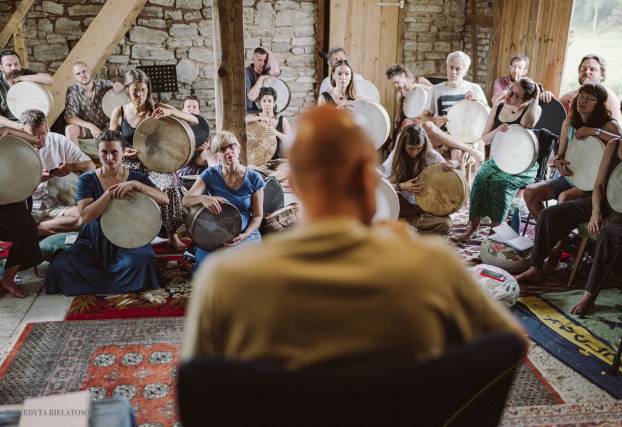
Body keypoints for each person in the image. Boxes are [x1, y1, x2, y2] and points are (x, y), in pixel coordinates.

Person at [182, 105, 527, 368]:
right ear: (369, 181)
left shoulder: (226, 278)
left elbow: (202, 389)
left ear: (296, 187)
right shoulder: (432, 263)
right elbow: (509, 345)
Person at [515, 92, 622, 315]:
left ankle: (589, 294)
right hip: (604, 203)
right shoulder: (614, 144)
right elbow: (599, 185)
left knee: (609, 231)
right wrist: (595, 213)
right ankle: (536, 268)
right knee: (550, 214)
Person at [45, 130, 168, 296]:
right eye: (104, 152)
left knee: (143, 260)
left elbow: (164, 199)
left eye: (115, 152)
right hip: (94, 239)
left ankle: (99, 284)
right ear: (98, 152)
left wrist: (137, 186)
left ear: (124, 152)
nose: (109, 158)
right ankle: (119, 283)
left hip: (129, 237)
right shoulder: (87, 179)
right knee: (61, 265)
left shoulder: (136, 177)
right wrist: (108, 194)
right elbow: (86, 216)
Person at [109, 69, 197, 252]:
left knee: (169, 184)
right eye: (135, 90)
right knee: (124, 186)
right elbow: (110, 140)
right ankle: (134, 231)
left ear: (148, 90)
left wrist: (169, 112)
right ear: (127, 90)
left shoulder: (157, 108)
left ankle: (171, 235)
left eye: (143, 89)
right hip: (129, 164)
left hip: (157, 164)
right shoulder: (119, 112)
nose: (139, 94)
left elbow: (193, 120)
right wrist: (123, 152)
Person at [458, 77, 542, 242]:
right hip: (499, 161)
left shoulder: (533, 109)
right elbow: (485, 139)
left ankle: (494, 233)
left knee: (501, 183)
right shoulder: (500, 106)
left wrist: (536, 97)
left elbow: (527, 124)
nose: (509, 94)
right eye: (511, 89)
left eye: (516, 95)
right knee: (481, 177)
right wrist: (498, 129)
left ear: (526, 99)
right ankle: (473, 228)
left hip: (522, 165)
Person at [523, 83, 622, 220]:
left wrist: (595, 131)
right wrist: (559, 163)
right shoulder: (569, 123)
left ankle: (556, 238)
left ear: (599, 104)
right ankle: (548, 233)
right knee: (530, 192)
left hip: (591, 184)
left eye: (588, 98)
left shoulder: (608, 124)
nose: (582, 101)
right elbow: (561, 155)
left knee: (564, 198)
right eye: (581, 97)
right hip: (569, 177)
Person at [182, 131, 265, 268]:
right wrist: (203, 198)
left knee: (246, 267)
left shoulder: (254, 177)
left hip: (245, 233)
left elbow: (257, 215)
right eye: (222, 149)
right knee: (209, 268)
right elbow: (186, 201)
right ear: (216, 155)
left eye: (232, 147)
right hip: (214, 232)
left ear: (238, 149)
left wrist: (245, 234)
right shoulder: (210, 174)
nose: (228, 152)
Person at [20, 109, 96, 236]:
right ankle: (38, 227)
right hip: (29, 206)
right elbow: (12, 192)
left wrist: (71, 166)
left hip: (55, 203)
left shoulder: (58, 140)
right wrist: (37, 180)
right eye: (34, 135)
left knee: (85, 217)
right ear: (22, 132)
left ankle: (39, 227)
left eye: (43, 133)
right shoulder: (14, 149)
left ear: (47, 127)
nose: (40, 140)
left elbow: (91, 166)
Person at [381, 124, 453, 235]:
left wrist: (451, 166)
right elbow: (381, 185)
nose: (414, 153)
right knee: (383, 208)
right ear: (403, 145)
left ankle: (408, 229)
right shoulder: (395, 156)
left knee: (446, 224)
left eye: (418, 148)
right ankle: (413, 230)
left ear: (424, 145)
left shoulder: (431, 155)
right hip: (403, 206)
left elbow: (449, 177)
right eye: (410, 148)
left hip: (426, 209)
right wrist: (402, 186)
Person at [423, 51, 488, 166]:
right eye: (450, 67)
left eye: (458, 69)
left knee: (457, 153)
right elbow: (424, 118)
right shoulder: (435, 89)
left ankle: (458, 171)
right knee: (428, 126)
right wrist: (434, 120)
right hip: (443, 135)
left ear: (465, 71)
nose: (453, 72)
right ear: (446, 67)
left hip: (467, 134)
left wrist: (478, 101)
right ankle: (470, 153)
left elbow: (488, 114)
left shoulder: (474, 88)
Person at [0, 127, 43, 298]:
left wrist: (7, 130)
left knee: (27, 227)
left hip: (6, 196)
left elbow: (36, 141)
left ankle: (8, 279)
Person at [64, 61, 125, 145]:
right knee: (69, 129)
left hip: (108, 127)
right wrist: (91, 126)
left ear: (90, 71)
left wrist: (120, 86)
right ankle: (76, 158)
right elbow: (69, 117)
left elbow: (123, 94)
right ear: (75, 77)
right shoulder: (72, 90)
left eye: (84, 71)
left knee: (122, 124)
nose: (82, 75)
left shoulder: (105, 84)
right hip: (87, 129)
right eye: (78, 74)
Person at [559, 54, 622, 125]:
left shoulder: (609, 97)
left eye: (592, 69)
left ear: (602, 74)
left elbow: (616, 131)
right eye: (583, 69)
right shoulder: (567, 97)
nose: (587, 72)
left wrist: (595, 132)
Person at [0, 49, 54, 130]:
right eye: (9, 65)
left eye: (16, 64)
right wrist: (19, 126)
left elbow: (50, 80)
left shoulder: (23, 73)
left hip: (31, 122)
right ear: (1, 67)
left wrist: (21, 77)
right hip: (8, 125)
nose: (14, 67)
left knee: (44, 134)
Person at [386, 63, 433, 135]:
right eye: (393, 83)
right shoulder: (399, 93)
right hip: (410, 119)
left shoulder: (419, 80)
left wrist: (417, 85)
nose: (395, 86)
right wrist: (396, 125)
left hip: (425, 116)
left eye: (397, 82)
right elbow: (398, 114)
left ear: (403, 76)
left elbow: (434, 90)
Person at [245, 87, 291, 159]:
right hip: (260, 159)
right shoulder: (255, 117)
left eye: (269, 101)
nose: (267, 104)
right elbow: (243, 120)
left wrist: (276, 132)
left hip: (279, 159)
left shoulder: (282, 120)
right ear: (260, 103)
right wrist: (260, 118)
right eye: (264, 101)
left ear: (274, 103)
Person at [177, 96, 215, 177]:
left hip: (199, 159)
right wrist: (197, 148)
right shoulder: (178, 126)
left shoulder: (203, 126)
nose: (191, 109)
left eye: (194, 107)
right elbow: (177, 151)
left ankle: (217, 178)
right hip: (184, 162)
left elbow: (209, 145)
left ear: (199, 111)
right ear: (183, 110)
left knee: (210, 153)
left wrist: (207, 146)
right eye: (188, 107)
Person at [245, 47, 281, 114]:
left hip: (265, 111)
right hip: (252, 111)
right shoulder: (246, 73)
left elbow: (276, 72)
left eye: (265, 60)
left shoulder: (265, 71)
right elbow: (252, 97)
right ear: (253, 59)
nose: (263, 63)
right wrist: (261, 78)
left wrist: (269, 52)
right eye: (260, 60)